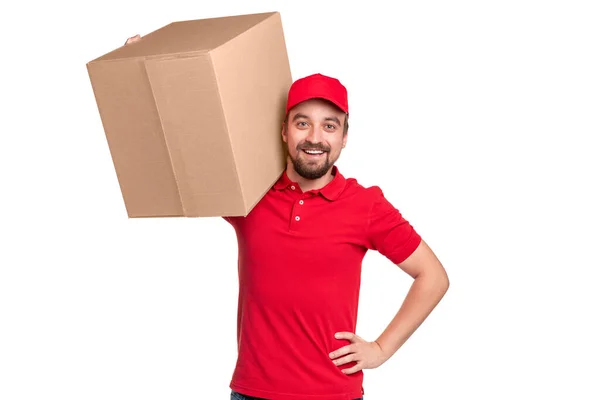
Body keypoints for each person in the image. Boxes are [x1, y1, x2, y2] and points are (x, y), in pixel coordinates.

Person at [124, 35, 450, 400]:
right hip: (252, 393)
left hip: (333, 395)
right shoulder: (251, 194)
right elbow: (185, 149)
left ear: (344, 137)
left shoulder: (366, 205)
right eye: (302, 123)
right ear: (283, 131)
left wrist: (381, 349)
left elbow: (433, 276)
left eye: (329, 125)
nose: (315, 137)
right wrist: (148, 69)